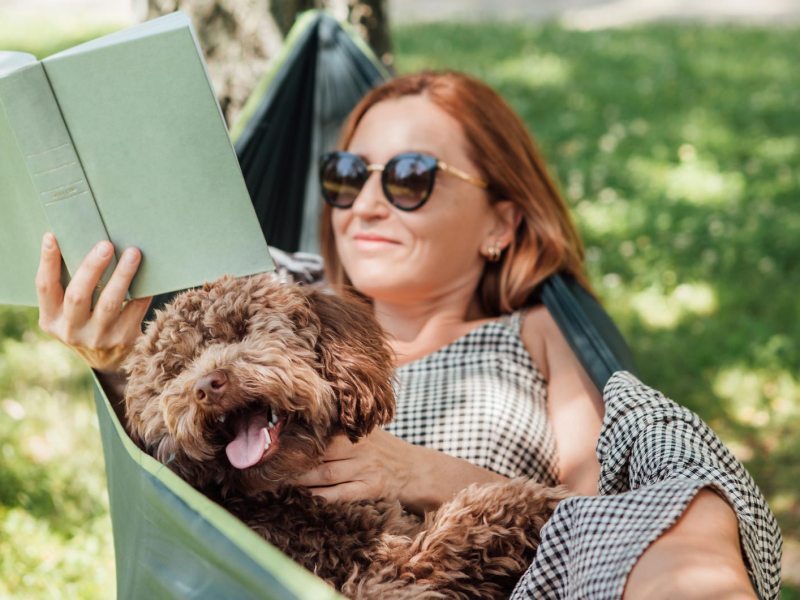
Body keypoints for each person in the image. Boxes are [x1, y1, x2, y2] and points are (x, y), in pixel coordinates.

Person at [36, 71, 780, 598]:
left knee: (689, 508)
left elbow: (602, 523)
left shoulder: (537, 333)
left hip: (461, 575)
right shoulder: (279, 299)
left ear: (501, 221)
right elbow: (175, 473)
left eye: (411, 178)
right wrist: (112, 359)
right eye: (345, 175)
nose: (364, 204)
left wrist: (418, 472)